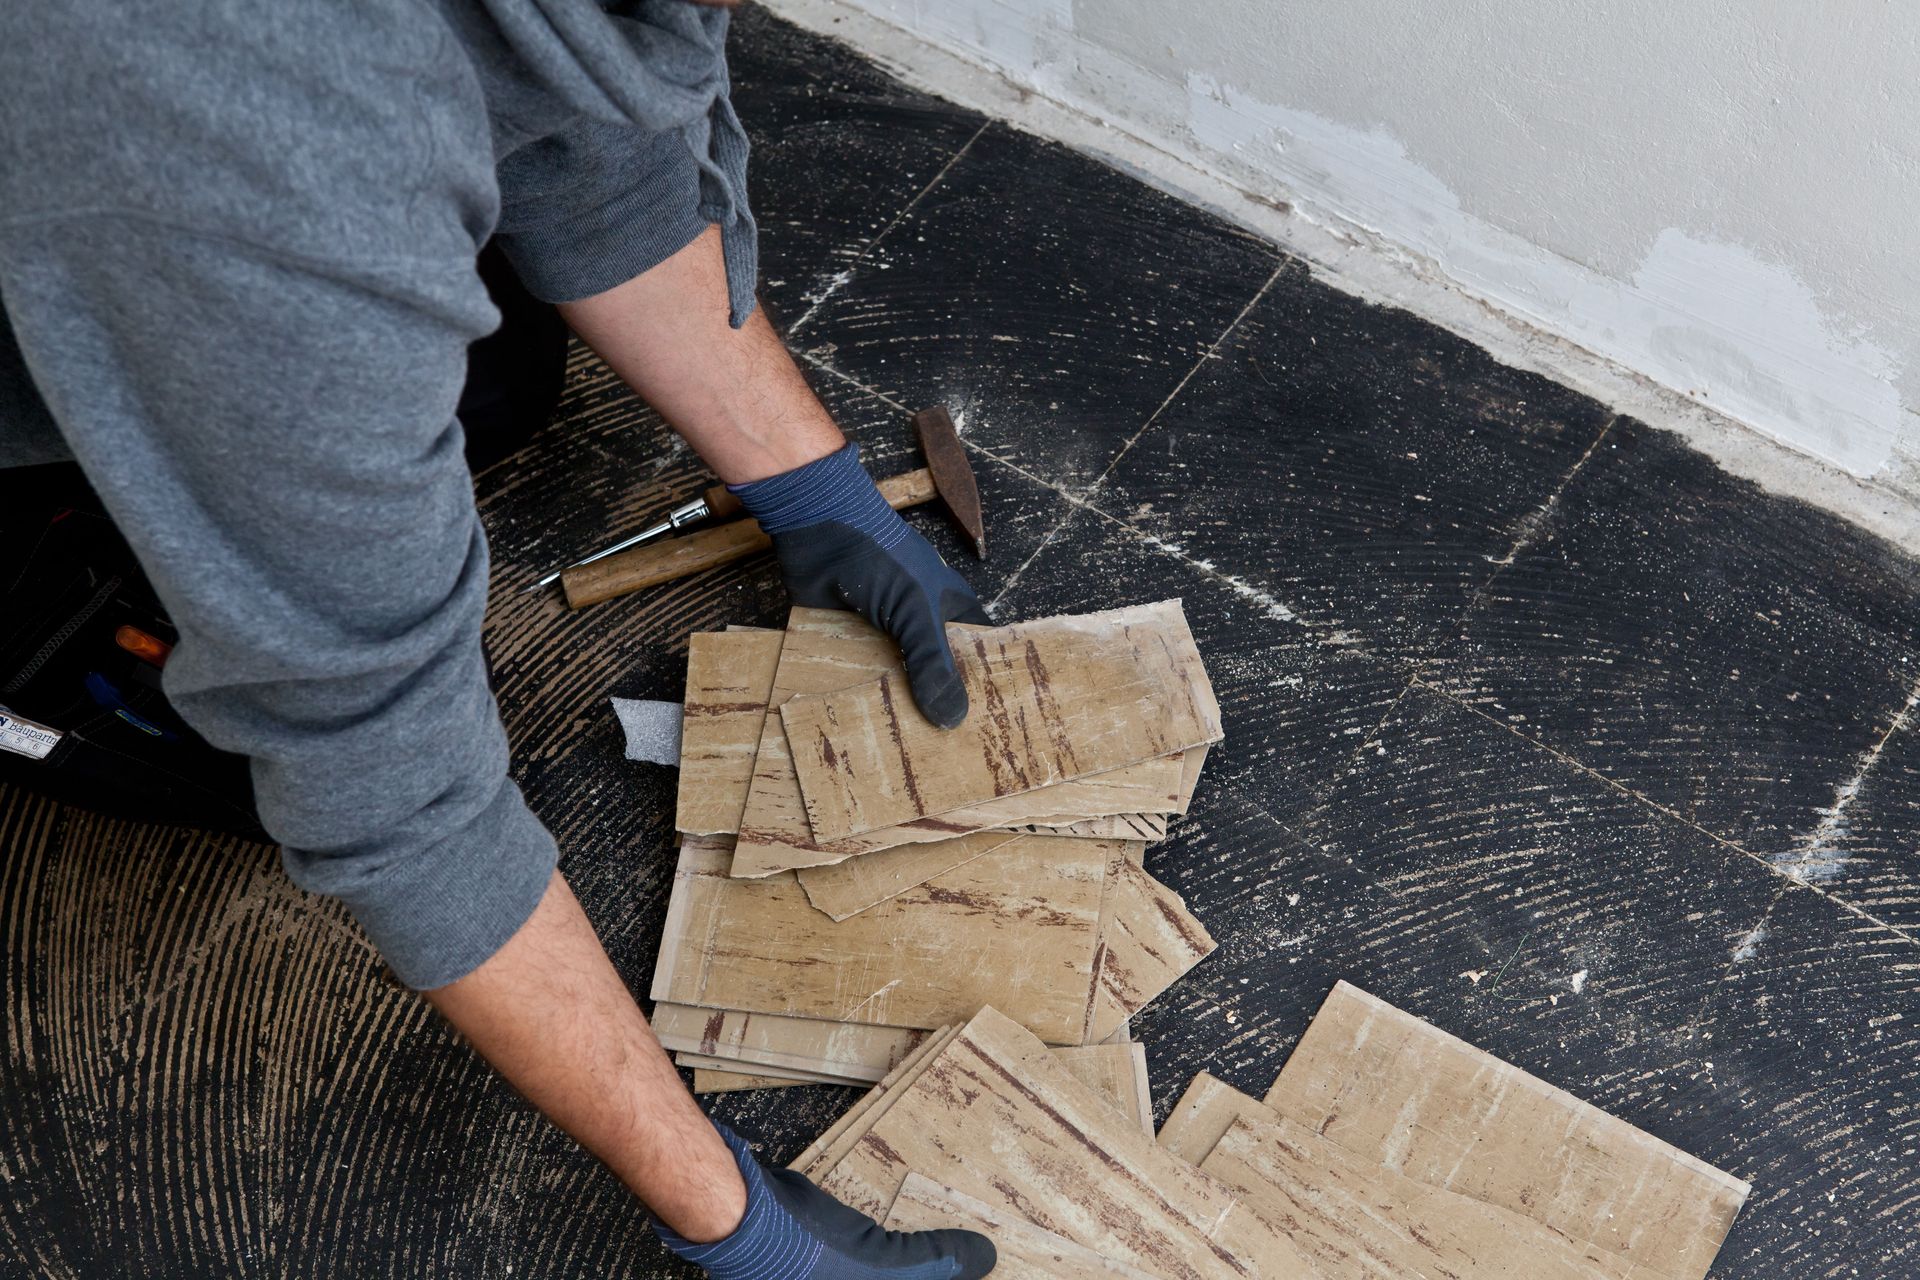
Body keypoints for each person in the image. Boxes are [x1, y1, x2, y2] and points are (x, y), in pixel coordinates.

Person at [0, 1, 996, 1276]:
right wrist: (732, 1219)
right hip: (161, 167)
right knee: (262, 743)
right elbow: (388, 776)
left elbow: (568, 109)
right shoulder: (259, 137)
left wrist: (818, 495)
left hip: (219, 172)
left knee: (497, 366)